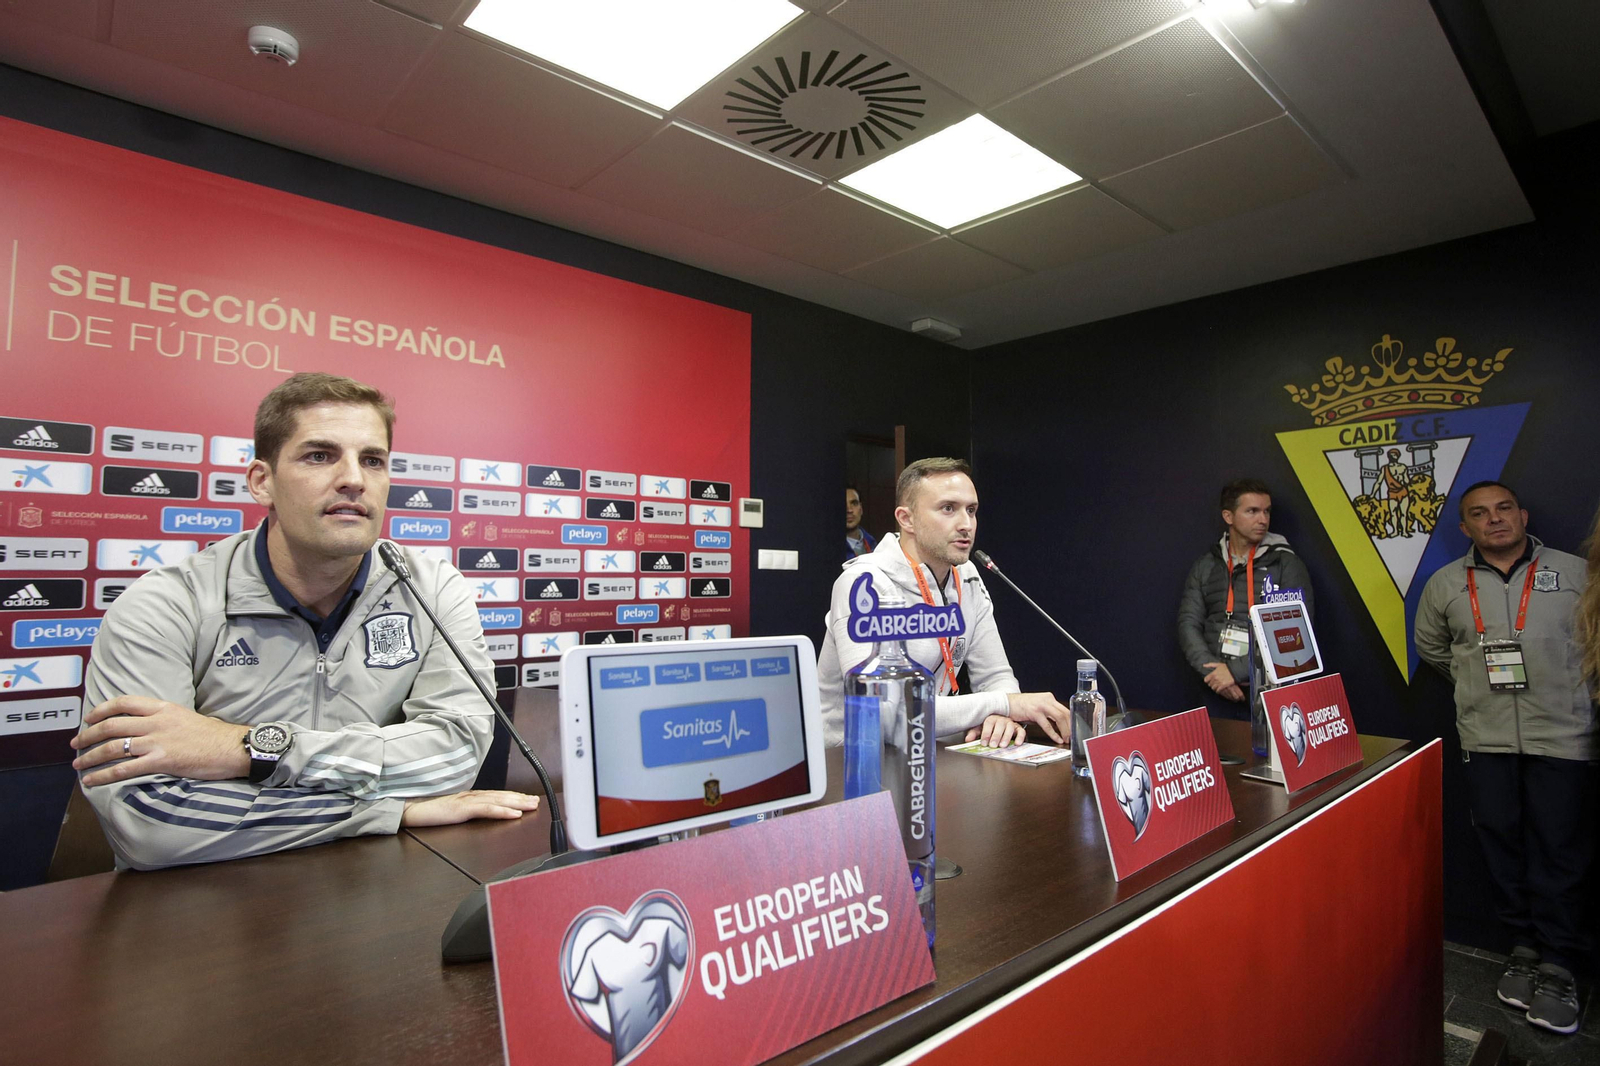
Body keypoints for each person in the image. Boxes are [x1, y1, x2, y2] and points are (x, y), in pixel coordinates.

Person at [70, 373, 538, 870]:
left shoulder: (432, 588)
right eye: (319, 456)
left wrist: (247, 749)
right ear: (262, 481)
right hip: (204, 898)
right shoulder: (164, 604)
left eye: (372, 460)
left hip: (381, 886)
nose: (354, 479)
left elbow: (455, 758)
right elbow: (149, 822)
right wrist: (383, 812)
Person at [1415, 480, 1594, 1035]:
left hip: (1562, 737)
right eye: (1480, 514)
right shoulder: (1446, 583)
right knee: (1501, 842)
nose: (1494, 519)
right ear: (1464, 528)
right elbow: (1431, 646)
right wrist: (1475, 682)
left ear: (1523, 514)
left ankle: (1560, 964)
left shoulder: (1576, 572)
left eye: (1504, 508)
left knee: (1560, 850)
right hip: (1486, 738)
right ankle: (1523, 948)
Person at [817, 457, 1069, 749]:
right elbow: (886, 715)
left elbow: (996, 675)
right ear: (906, 519)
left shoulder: (967, 576)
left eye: (971, 510)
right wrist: (1005, 704)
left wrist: (1000, 716)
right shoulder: (863, 585)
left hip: (932, 749)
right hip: (854, 758)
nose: (966, 525)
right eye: (948, 508)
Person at [1177, 478, 1314, 715]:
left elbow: (1296, 632)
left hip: (1270, 691)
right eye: (1252, 511)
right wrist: (1214, 674)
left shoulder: (1286, 564)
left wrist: (1235, 671)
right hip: (1216, 689)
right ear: (1228, 516)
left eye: (1266, 511)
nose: (1263, 519)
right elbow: (1188, 623)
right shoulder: (1206, 565)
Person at [845, 484, 876, 559]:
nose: (849, 510)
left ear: (861, 509)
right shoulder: (829, 548)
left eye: (854, 503)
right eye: (844, 504)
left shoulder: (873, 544)